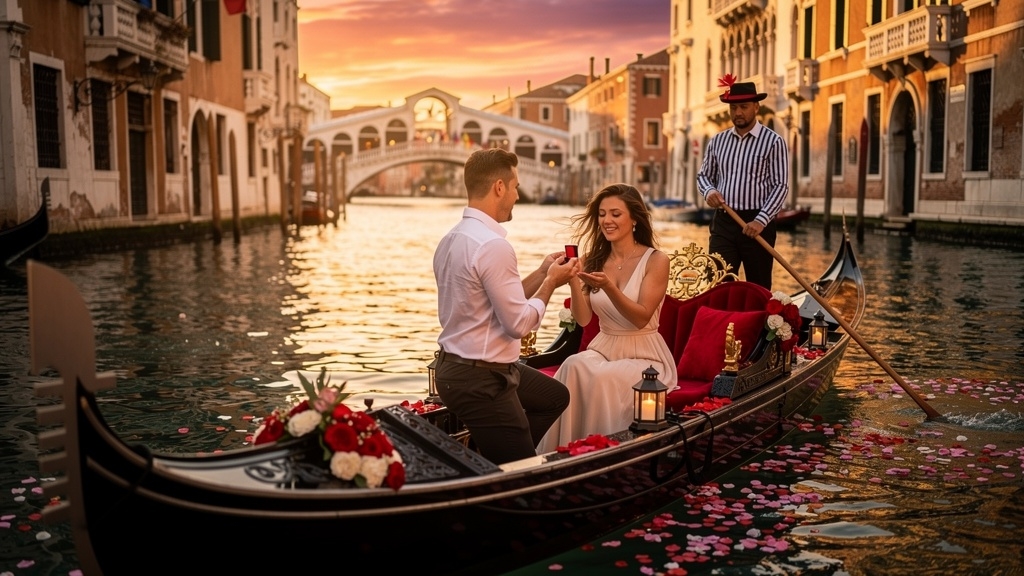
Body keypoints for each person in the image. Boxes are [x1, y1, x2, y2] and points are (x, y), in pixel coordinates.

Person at [432, 148, 576, 465]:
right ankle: (506, 461)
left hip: (455, 369)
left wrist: (541, 273)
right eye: (515, 187)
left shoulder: (452, 238)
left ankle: (495, 454)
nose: (517, 196)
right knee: (520, 468)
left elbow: (495, 302)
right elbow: (519, 325)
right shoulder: (494, 245)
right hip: (482, 380)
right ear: (499, 187)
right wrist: (552, 282)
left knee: (555, 397)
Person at [536, 184, 677, 454]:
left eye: (615, 214)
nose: (606, 221)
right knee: (573, 364)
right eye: (602, 214)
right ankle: (564, 452)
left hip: (645, 356)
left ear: (634, 218)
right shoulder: (593, 259)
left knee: (604, 376)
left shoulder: (656, 260)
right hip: (603, 347)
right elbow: (585, 319)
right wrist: (574, 281)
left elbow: (641, 317)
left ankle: (604, 453)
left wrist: (610, 288)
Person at [696, 77, 789, 290]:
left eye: (744, 107)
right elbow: (703, 176)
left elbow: (780, 185)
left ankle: (755, 323)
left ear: (756, 107)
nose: (738, 112)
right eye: (734, 107)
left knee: (758, 287)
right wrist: (709, 191)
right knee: (718, 282)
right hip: (724, 222)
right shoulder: (717, 141)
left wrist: (760, 220)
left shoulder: (774, 141)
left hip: (757, 224)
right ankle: (721, 322)